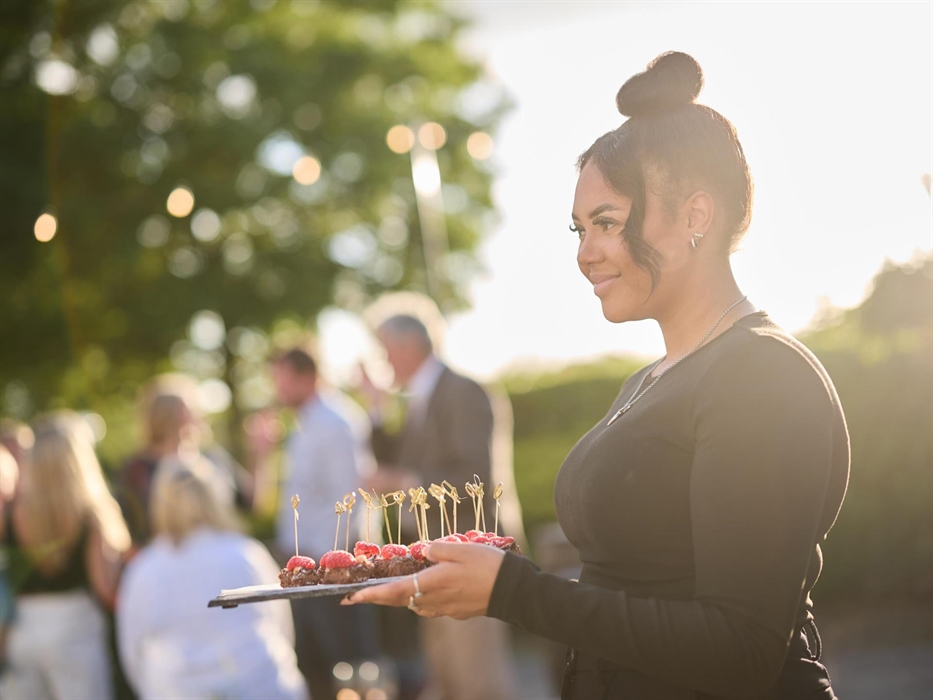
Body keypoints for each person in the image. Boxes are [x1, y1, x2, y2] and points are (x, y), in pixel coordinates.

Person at [346, 52, 850, 700]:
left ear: (696, 215)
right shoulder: (645, 383)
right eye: (579, 229)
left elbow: (739, 650)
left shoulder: (762, 378)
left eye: (607, 223)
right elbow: (624, 593)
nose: (584, 253)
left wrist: (512, 592)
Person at [360, 303, 524, 700]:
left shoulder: (464, 391)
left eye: (386, 349)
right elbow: (396, 459)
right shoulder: (421, 397)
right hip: (434, 558)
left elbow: (475, 478)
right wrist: (378, 412)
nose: (383, 361)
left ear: (412, 343)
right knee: (447, 679)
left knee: (478, 683)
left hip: (471, 555)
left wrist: (403, 481)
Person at [116, 454, 306, 700]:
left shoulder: (143, 569)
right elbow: (281, 627)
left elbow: (132, 649)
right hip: (264, 686)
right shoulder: (247, 553)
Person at [248, 346, 379, 700]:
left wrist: (330, 561)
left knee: (344, 660)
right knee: (317, 660)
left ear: (305, 377)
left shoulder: (334, 422)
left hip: (330, 562)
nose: (276, 389)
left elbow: (349, 496)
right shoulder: (305, 423)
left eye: (281, 380)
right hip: (308, 560)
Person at [0, 412, 131, 700]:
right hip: (75, 628)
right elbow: (106, 590)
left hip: (24, 629)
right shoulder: (93, 515)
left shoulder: (13, 513)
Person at [119, 374, 254, 545]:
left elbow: (249, 503)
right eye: (188, 408)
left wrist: (259, 454)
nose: (197, 415)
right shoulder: (136, 471)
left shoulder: (213, 459)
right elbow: (127, 532)